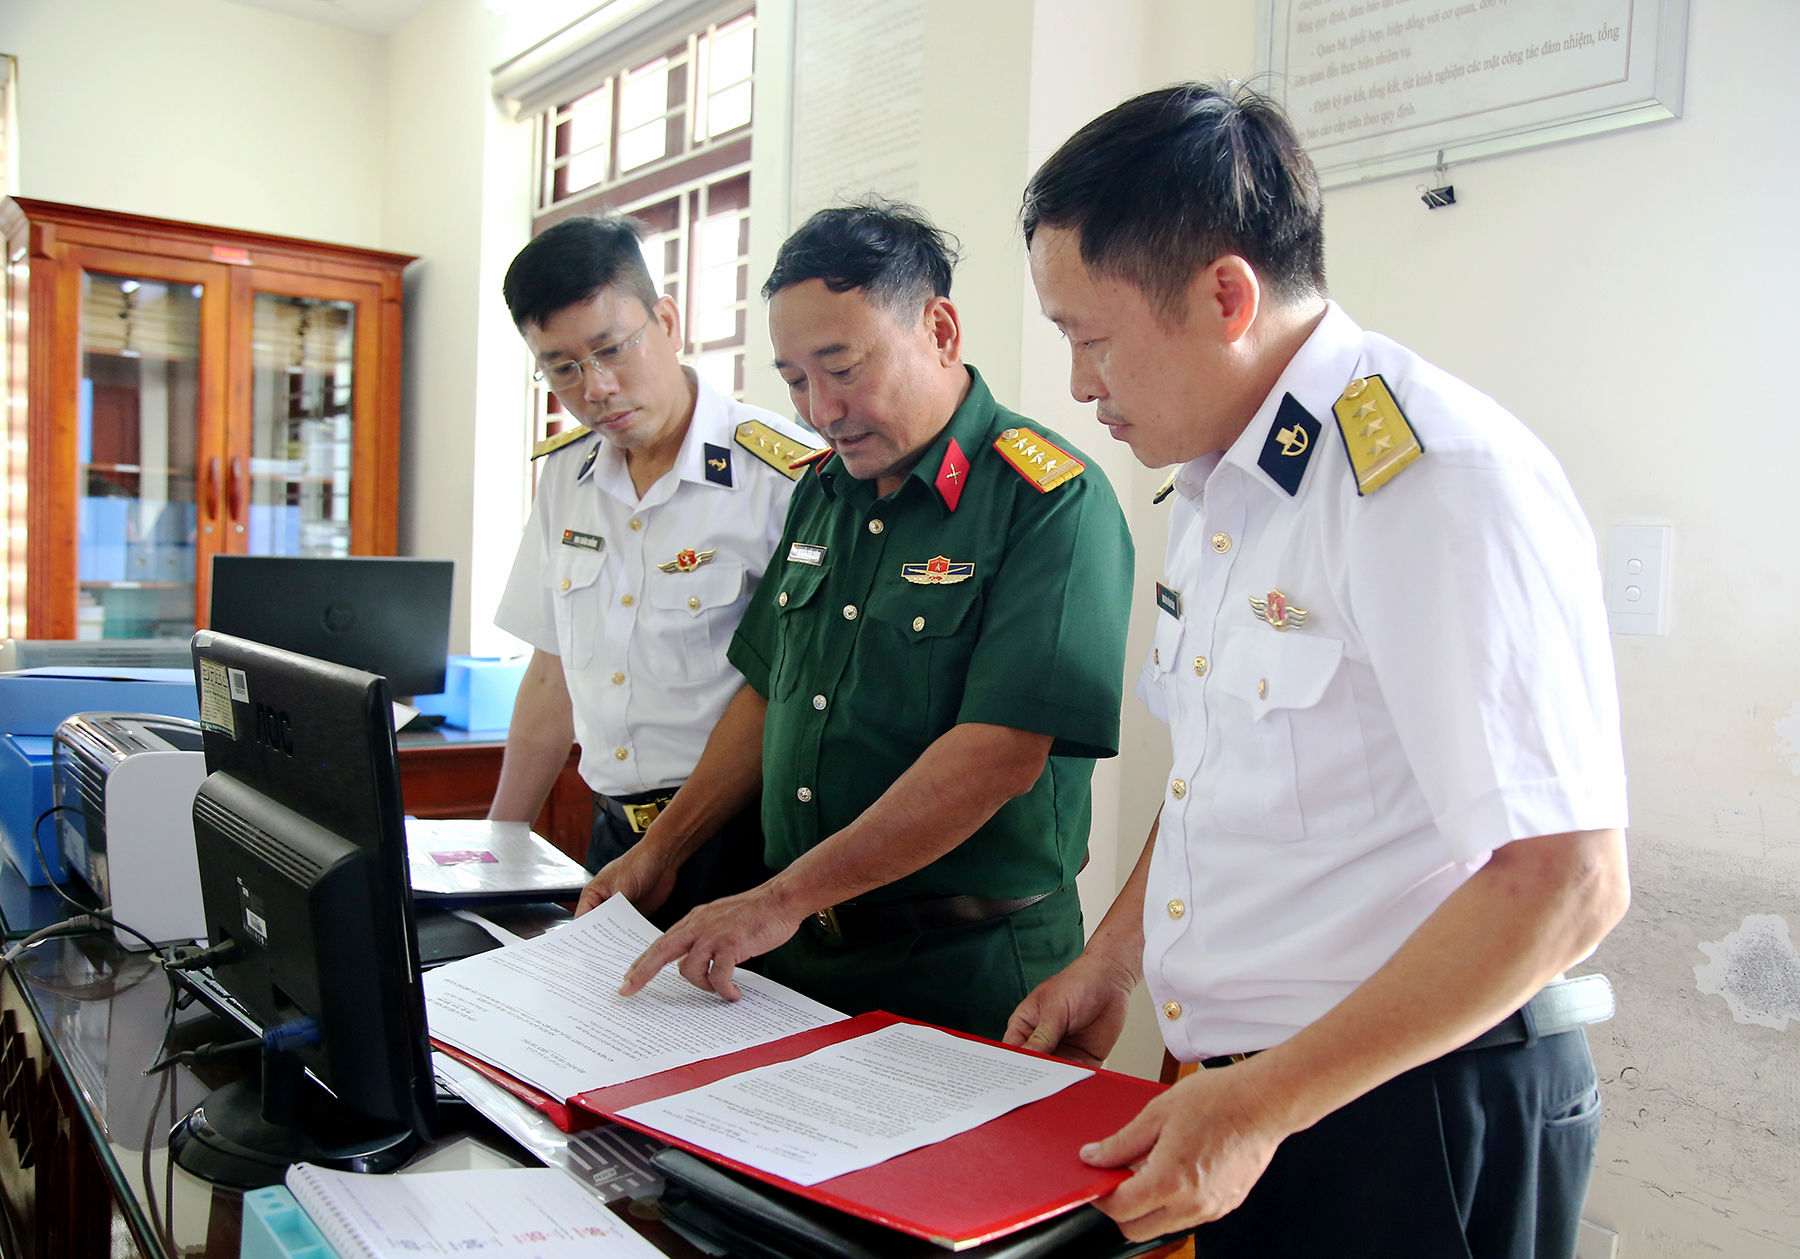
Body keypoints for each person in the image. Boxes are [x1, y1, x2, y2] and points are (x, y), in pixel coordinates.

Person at [1005, 84, 1631, 1258]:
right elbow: (1214, 773)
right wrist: (1117, 956)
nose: (1082, 385)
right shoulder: (1225, 480)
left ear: (1225, 296)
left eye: (1090, 338)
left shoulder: (1432, 478)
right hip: (1268, 1099)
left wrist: (1264, 1102)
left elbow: (1568, 879)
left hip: (1411, 1108)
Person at [580, 201, 1135, 1040]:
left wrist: (779, 898)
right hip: (799, 961)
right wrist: (663, 851)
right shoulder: (823, 490)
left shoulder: (1049, 500)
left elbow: (997, 757)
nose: (821, 409)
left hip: (968, 973)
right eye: (795, 380)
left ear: (939, 330)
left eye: (842, 368)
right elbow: (766, 692)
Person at [488, 213, 822, 928]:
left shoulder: (785, 475)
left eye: (611, 349)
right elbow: (550, 675)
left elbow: (788, 690)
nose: (596, 387)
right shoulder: (566, 476)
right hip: (612, 836)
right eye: (562, 367)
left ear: (666, 321)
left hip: (745, 844)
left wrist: (670, 845)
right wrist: (496, 850)